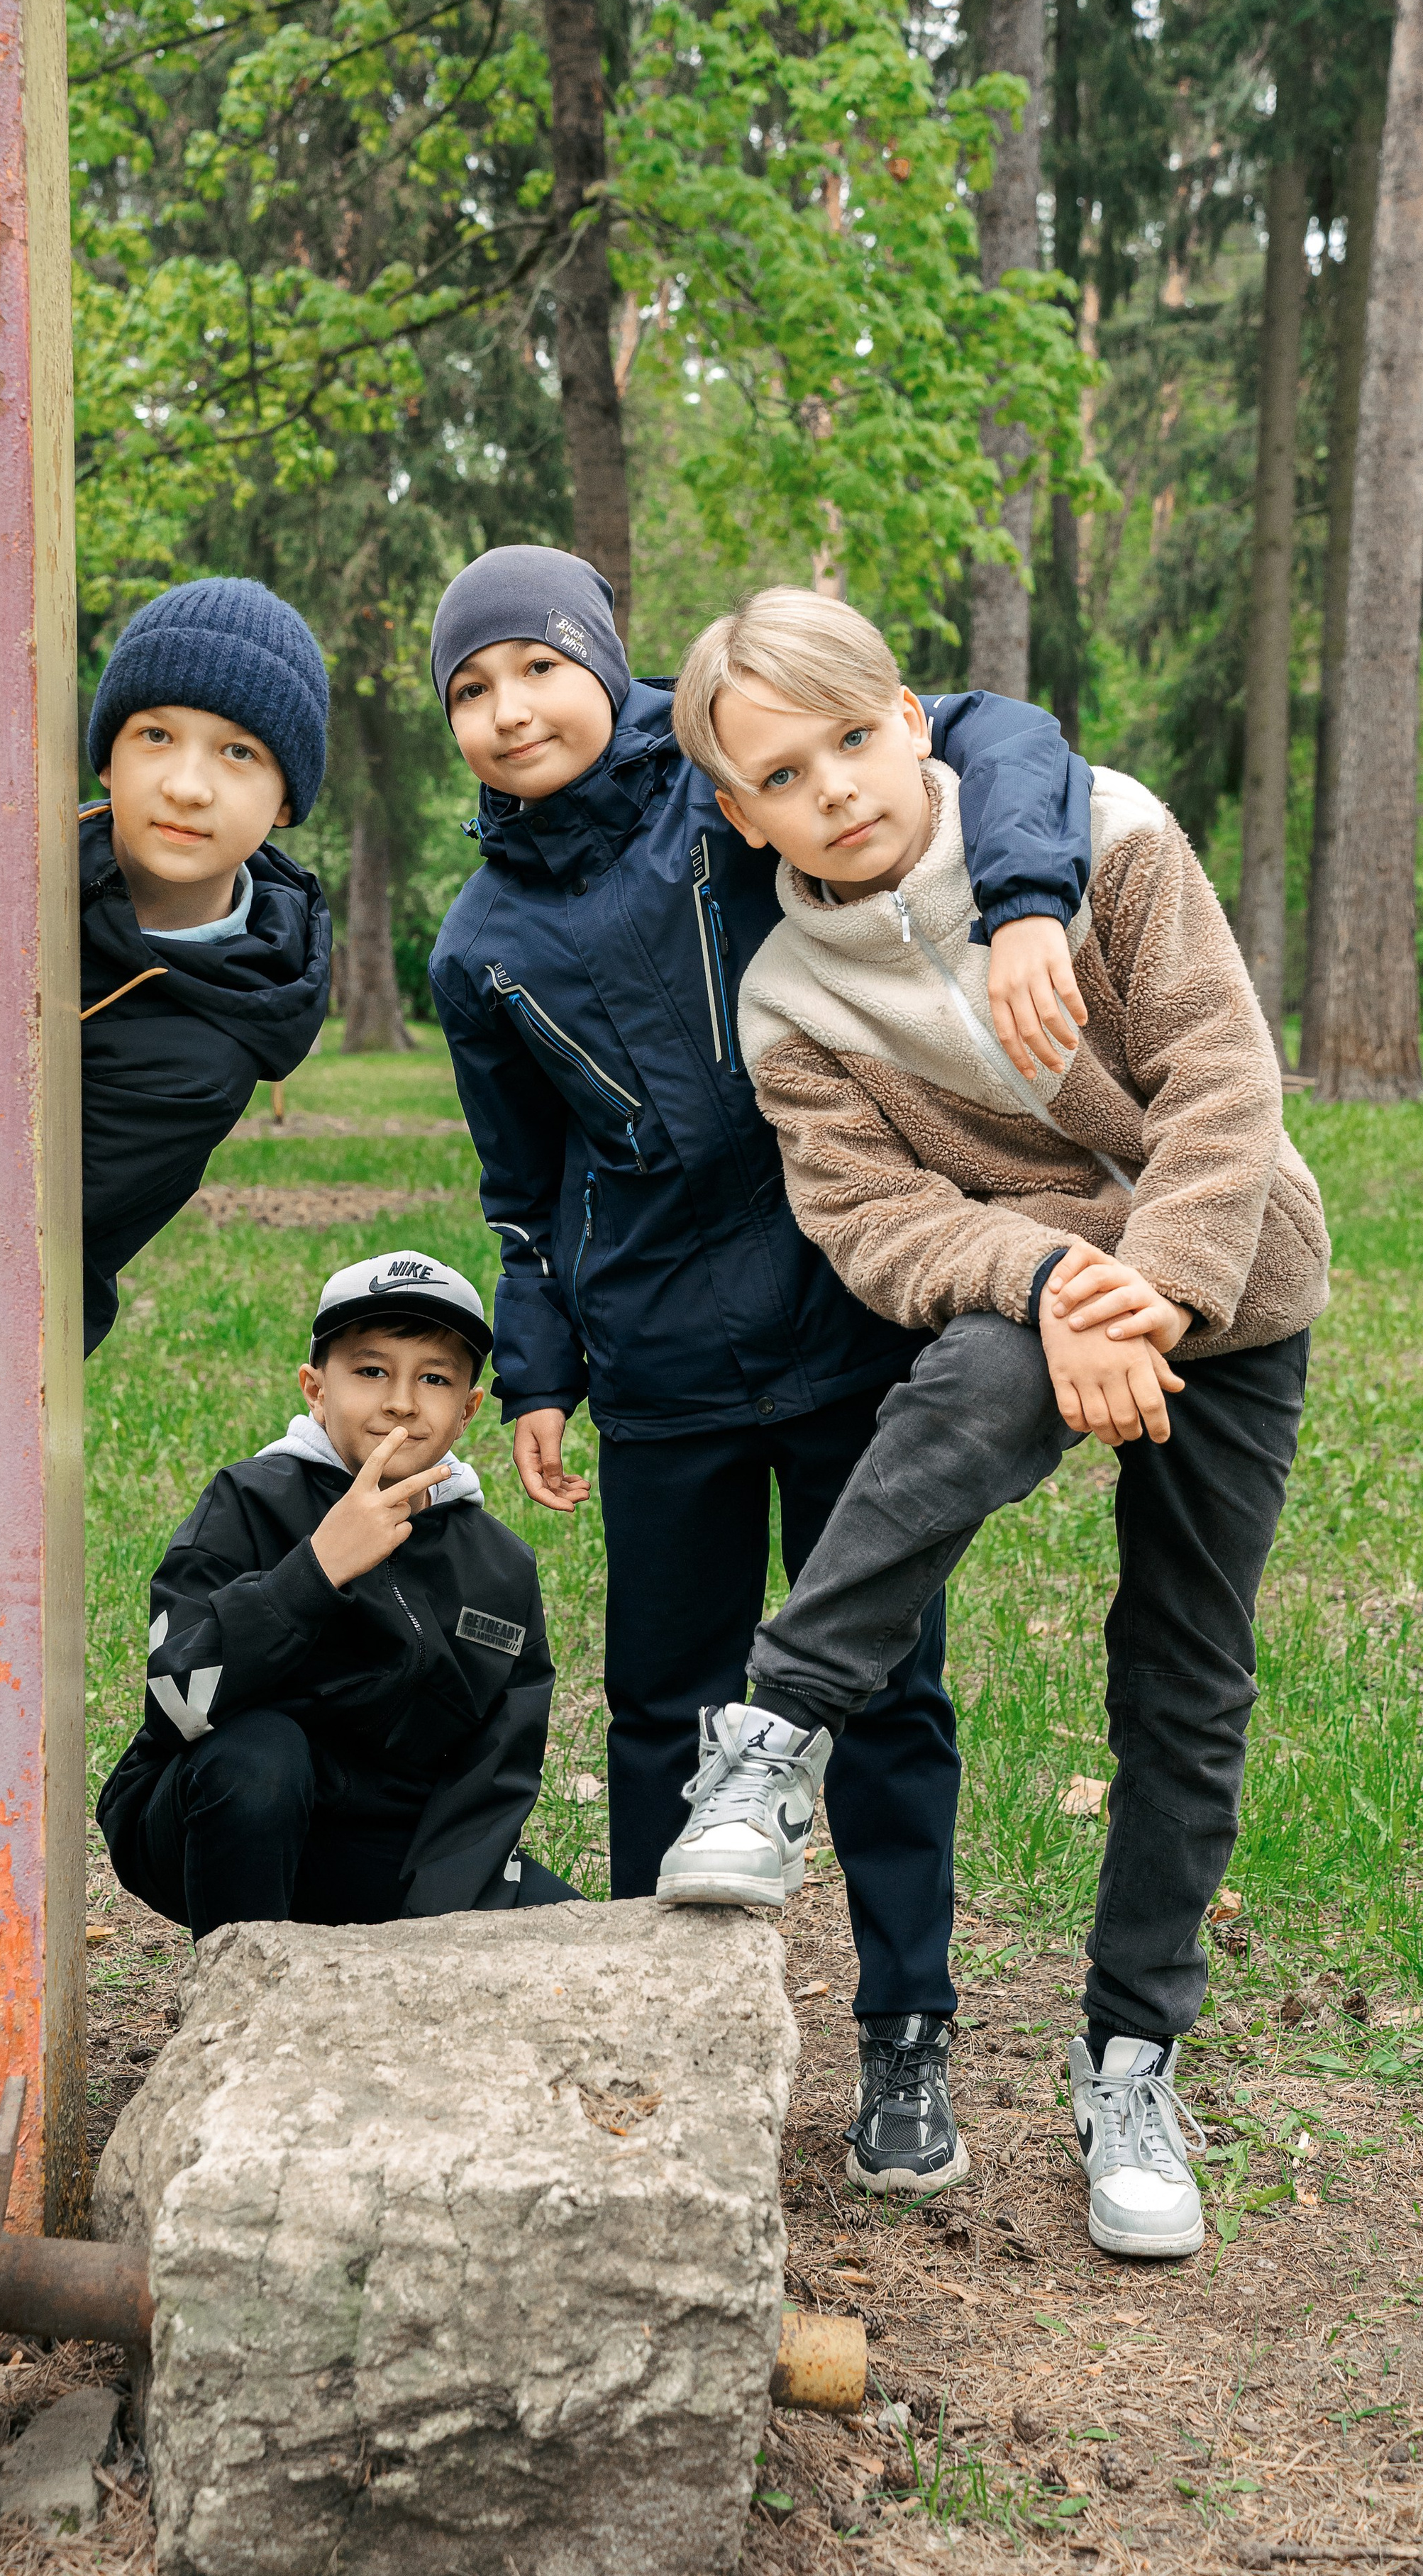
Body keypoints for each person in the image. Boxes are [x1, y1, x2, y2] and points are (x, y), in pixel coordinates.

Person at [655, 587, 1330, 2258]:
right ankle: (777, 1733)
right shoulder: (789, 1002)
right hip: (1036, 1299)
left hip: (1229, 1275)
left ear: (909, 715)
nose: (834, 790)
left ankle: (1129, 2059)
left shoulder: (1103, 840)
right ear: (740, 814)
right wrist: (1050, 1283)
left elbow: (1218, 1080)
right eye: (781, 776)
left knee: (1184, 1667)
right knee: (954, 1388)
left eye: (851, 741)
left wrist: (1152, 1296)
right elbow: (874, 1224)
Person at [426, 544, 1096, 2182]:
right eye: (468, 689)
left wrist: (1024, 906)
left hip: (852, 1316)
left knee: (877, 1686)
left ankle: (904, 2035)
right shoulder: (477, 947)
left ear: (603, 660)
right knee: (664, 1702)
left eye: (535, 665)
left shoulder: (739, 775)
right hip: (655, 1359)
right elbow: (522, 1194)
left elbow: (993, 730)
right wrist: (536, 1371)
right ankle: (676, 2041)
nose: (510, 710)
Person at [96, 1251, 576, 1938]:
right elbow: (178, 1701)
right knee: (262, 1757)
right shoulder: (248, 1501)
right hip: (223, 1818)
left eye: (434, 1378)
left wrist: (432, 1934)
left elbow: (495, 1772)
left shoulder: (500, 1566)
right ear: (316, 1389)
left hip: (390, 1854)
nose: (401, 1401)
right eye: (371, 1370)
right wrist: (314, 1572)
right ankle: (245, 2008)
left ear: (469, 1409)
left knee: (568, 1936)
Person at [79, 577, 335, 1353]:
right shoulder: (4, 853)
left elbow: (7, 1216)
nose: (185, 787)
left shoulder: (203, 1059)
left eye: (237, 752)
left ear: (286, 799)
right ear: (106, 760)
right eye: (155, 736)